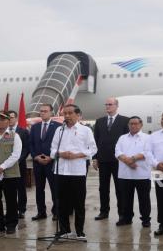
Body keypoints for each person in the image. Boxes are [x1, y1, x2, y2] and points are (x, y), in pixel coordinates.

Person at [50, 104, 97, 240]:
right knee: (62, 202)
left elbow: (93, 149)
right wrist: (61, 153)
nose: (67, 116)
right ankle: (64, 230)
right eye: (65, 113)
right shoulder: (59, 130)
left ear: (78, 115)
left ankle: (79, 231)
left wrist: (78, 155)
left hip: (77, 172)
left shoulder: (85, 130)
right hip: (61, 171)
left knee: (78, 203)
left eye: (70, 113)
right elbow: (52, 150)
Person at [92, 97, 129, 221]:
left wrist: (126, 158)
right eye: (106, 104)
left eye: (110, 104)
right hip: (103, 160)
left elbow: (127, 141)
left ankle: (122, 213)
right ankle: (104, 211)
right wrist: (95, 158)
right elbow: (95, 141)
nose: (107, 106)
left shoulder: (125, 121)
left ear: (116, 106)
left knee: (120, 188)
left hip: (119, 160)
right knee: (103, 188)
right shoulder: (100, 121)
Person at [114, 116, 151, 228]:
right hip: (125, 174)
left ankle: (145, 219)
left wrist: (133, 158)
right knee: (126, 199)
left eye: (135, 123)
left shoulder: (147, 138)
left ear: (141, 125)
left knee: (144, 199)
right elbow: (117, 151)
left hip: (142, 174)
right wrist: (128, 161)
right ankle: (126, 218)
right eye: (131, 124)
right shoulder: (122, 138)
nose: (133, 126)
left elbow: (147, 152)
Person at [29, 104, 61, 221]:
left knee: (55, 188)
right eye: (41, 111)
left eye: (45, 111)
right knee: (39, 189)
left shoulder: (58, 126)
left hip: (51, 162)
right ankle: (41, 212)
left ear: (51, 112)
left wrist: (51, 158)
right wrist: (35, 157)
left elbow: (60, 144)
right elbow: (31, 144)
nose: (42, 113)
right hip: (38, 163)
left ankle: (56, 212)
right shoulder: (35, 127)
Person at [8, 110, 30, 219]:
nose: (10, 119)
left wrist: (18, 159)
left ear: (16, 118)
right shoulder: (3, 131)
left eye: (12, 117)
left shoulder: (23, 131)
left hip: (19, 164)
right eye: (8, 117)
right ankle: (11, 209)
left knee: (20, 188)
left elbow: (26, 148)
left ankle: (21, 209)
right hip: (6, 165)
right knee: (9, 188)